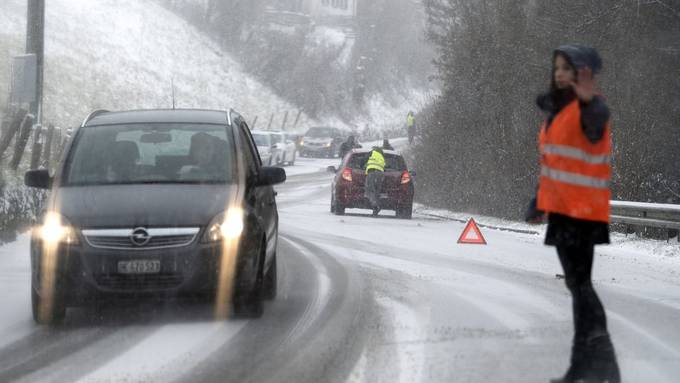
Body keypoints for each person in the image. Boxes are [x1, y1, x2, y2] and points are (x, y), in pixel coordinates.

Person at [526, 44, 620, 383]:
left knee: (580, 286)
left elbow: (595, 127)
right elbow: (558, 162)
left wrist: (588, 100)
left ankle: (604, 362)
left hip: (582, 211)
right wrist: (539, 199)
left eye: (567, 68)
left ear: (582, 73)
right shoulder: (559, 113)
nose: (559, 73)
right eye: (557, 68)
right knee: (576, 284)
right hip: (564, 210)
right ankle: (582, 368)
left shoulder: (589, 109)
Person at [364, 146, 385, 216]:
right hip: (381, 174)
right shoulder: (382, 156)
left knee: (370, 190)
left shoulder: (372, 153)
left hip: (372, 173)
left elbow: (363, 161)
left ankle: (375, 206)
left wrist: (362, 166)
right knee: (377, 191)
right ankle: (376, 206)